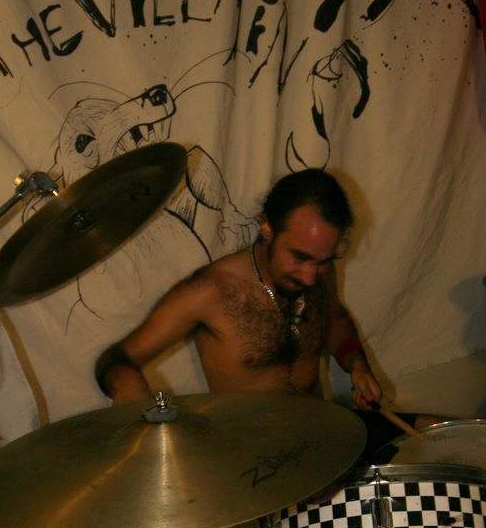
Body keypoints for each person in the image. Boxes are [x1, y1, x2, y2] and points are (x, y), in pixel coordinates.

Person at [95, 168, 389, 415]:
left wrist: (356, 363)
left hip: (321, 434)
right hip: (249, 454)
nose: (310, 277)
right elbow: (114, 360)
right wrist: (130, 388)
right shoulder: (210, 291)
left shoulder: (319, 271)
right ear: (267, 227)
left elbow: (334, 319)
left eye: (322, 261)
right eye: (299, 257)